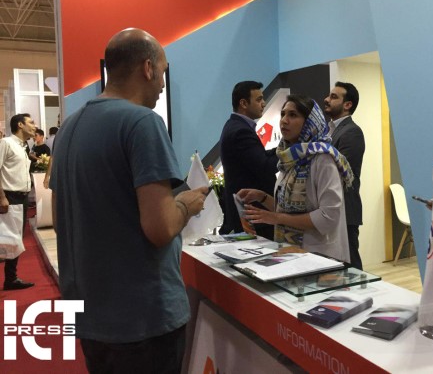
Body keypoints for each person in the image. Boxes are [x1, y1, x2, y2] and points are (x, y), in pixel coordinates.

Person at [50, 28, 208, 374]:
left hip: (91, 316)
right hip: (143, 320)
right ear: (148, 68)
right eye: (163, 71)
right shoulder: (142, 123)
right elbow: (160, 228)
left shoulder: (69, 128)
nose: (163, 83)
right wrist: (187, 204)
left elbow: (61, 221)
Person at [239, 95, 353, 263]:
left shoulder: (323, 159)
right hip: (291, 255)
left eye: (292, 115)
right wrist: (261, 197)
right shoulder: (289, 158)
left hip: (320, 257)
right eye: (283, 114)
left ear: (309, 123)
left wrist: (276, 218)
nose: (284, 121)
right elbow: (288, 209)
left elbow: (328, 217)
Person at [219, 81, 278, 239]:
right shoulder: (240, 131)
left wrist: (280, 149)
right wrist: (290, 152)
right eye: (259, 99)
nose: (263, 103)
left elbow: (258, 157)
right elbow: (265, 167)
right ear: (243, 103)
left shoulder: (234, 126)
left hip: (250, 212)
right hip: (253, 214)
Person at [324, 82, 365, 269]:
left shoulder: (352, 132)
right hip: (331, 209)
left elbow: (340, 173)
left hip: (344, 211)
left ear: (347, 105)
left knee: (350, 268)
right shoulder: (330, 130)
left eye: (333, 97)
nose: (327, 99)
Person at [0, 113, 37, 290]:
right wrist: (2, 197)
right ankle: (10, 278)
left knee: (14, 239)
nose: (34, 126)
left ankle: (11, 278)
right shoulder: (6, 143)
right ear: (20, 125)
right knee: (8, 238)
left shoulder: (23, 146)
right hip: (10, 196)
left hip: (22, 197)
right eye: (31, 122)